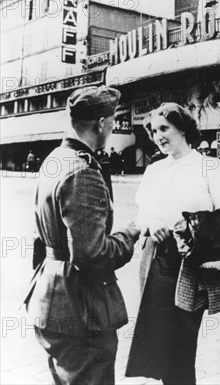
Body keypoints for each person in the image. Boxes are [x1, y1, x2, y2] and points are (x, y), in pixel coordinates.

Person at [23, 86, 140, 385]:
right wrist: (130, 233)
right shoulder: (83, 171)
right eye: (113, 119)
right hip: (81, 308)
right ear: (101, 123)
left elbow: (43, 238)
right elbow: (92, 254)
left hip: (51, 298)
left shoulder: (55, 159)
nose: (113, 126)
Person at [126, 102, 220, 385]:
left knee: (183, 344)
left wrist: (190, 227)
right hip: (158, 261)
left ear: (183, 127)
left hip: (192, 264)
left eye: (165, 128)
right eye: (153, 130)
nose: (158, 135)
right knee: (161, 344)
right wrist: (153, 226)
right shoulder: (154, 171)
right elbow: (143, 216)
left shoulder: (209, 166)